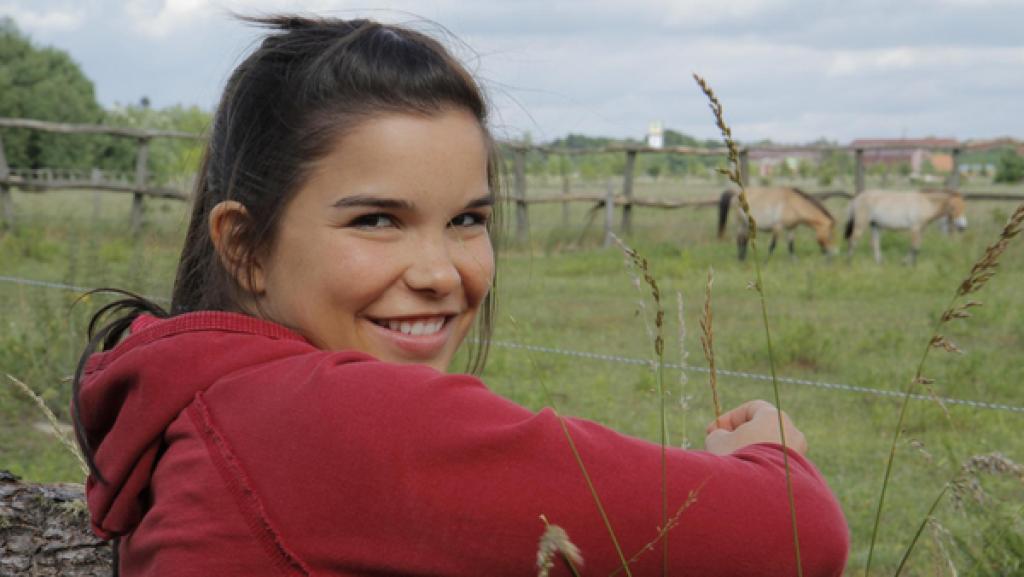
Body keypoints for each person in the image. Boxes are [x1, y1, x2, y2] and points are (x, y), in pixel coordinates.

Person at [72, 15, 849, 577]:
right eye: (377, 219)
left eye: (467, 220)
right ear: (244, 246)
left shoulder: (201, 399)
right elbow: (798, 533)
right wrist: (768, 453)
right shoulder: (333, 420)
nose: (441, 271)